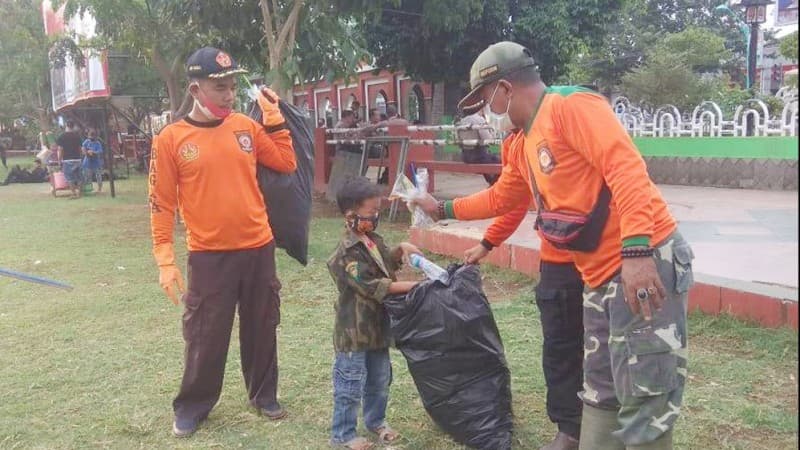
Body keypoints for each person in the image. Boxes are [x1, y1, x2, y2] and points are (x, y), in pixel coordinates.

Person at [415, 41, 693, 450]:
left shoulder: (570, 106)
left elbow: (627, 168)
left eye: (485, 99)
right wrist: (441, 207)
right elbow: (503, 197)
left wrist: (636, 251)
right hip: (597, 277)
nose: (485, 112)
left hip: (642, 259)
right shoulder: (526, 141)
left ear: (506, 89)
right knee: (600, 390)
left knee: (644, 393)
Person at [149, 46, 297, 438]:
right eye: (220, 88)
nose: (230, 95)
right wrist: (165, 258)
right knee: (204, 335)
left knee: (262, 325)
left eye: (232, 87)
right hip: (209, 255)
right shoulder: (171, 139)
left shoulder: (246, 129)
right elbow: (160, 204)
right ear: (196, 90)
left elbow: (285, 162)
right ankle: (193, 405)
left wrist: (274, 118)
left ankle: (263, 395)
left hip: (258, 247)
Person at [461, 128, 584, 450]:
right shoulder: (516, 143)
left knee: (604, 348)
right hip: (559, 263)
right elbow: (512, 200)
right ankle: (570, 430)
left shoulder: (560, 129)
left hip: (602, 258)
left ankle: (604, 426)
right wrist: (488, 242)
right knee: (561, 349)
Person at [327, 177, 421, 450]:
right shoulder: (345, 254)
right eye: (371, 212)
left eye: (377, 211)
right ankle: (342, 434)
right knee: (350, 384)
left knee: (380, 380)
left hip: (378, 328)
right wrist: (415, 286)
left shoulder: (372, 240)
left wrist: (401, 249)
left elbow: (383, 266)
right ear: (351, 215)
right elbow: (372, 285)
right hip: (354, 333)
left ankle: (375, 421)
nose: (375, 217)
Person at [456, 110, 501, 185]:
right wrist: (492, 134)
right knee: (501, 163)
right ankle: (493, 184)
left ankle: (492, 183)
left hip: (465, 157)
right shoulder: (479, 119)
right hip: (478, 156)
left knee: (489, 159)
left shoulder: (461, 121)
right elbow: (488, 140)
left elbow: (458, 140)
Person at [56, 121, 84, 198]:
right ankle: (80, 194)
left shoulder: (61, 136)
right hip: (77, 159)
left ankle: (74, 193)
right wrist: (81, 158)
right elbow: (80, 149)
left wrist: (59, 160)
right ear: (73, 126)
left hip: (67, 160)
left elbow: (60, 149)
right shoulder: (77, 136)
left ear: (66, 126)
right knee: (79, 178)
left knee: (70, 178)